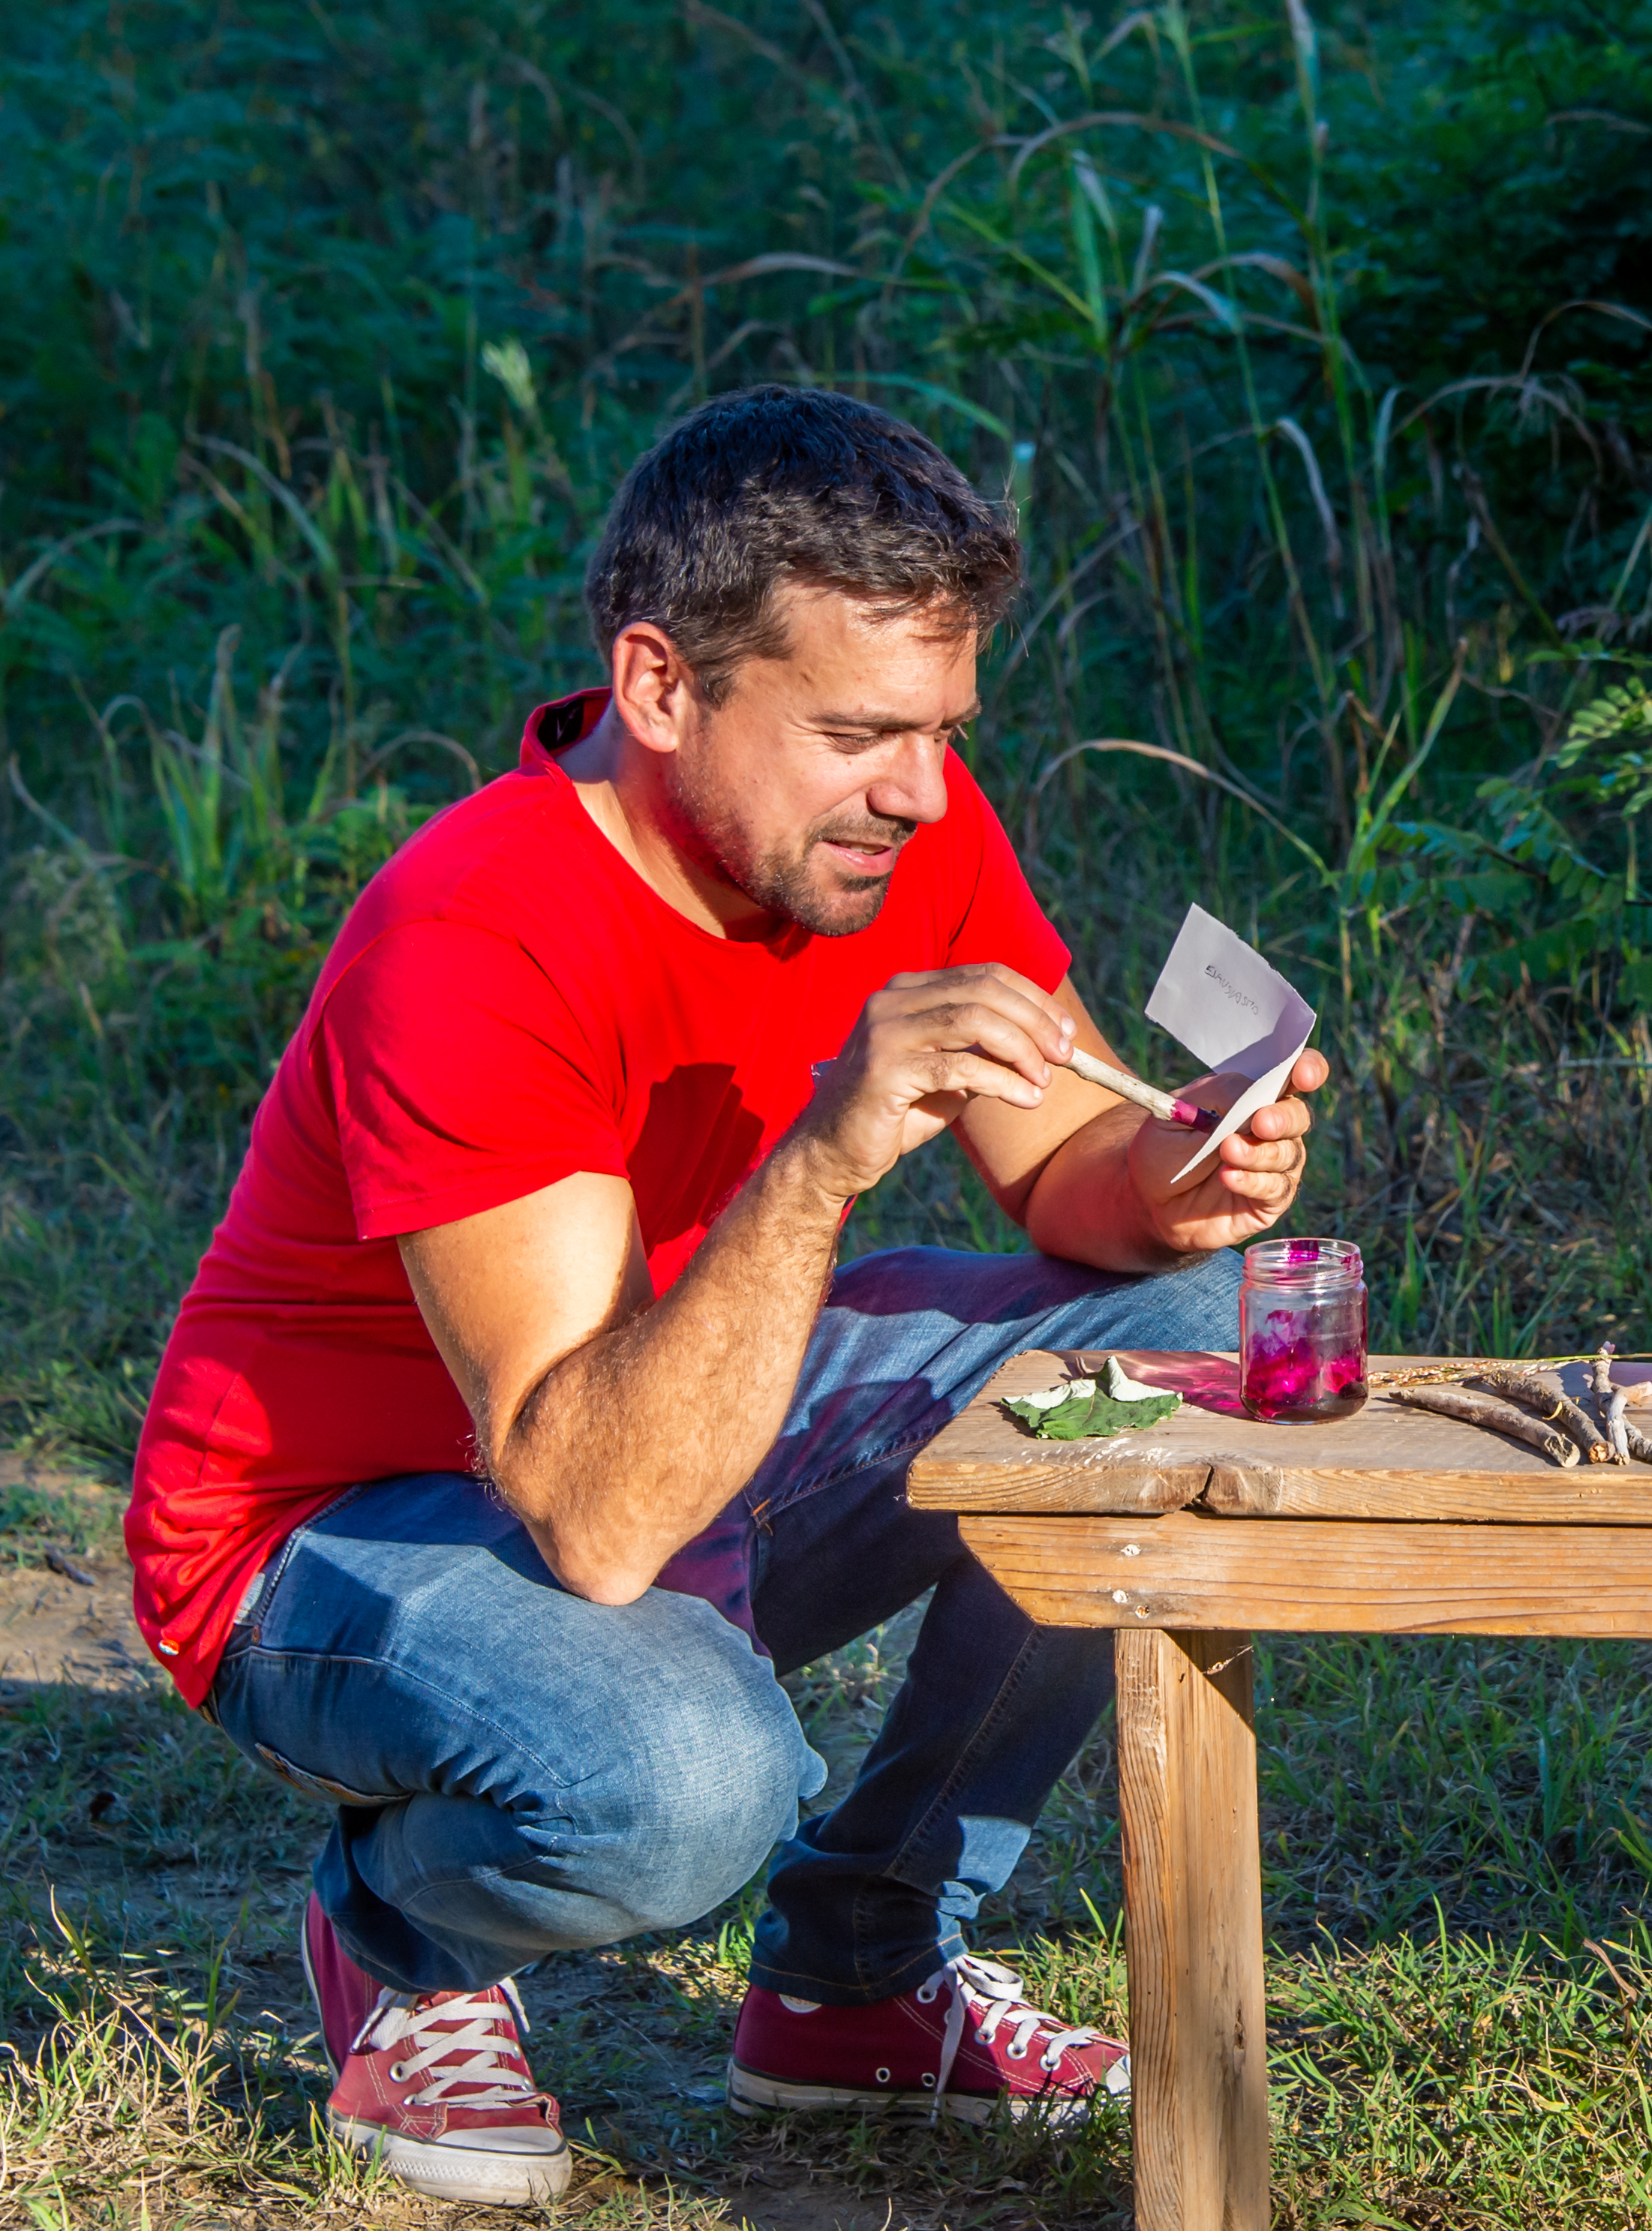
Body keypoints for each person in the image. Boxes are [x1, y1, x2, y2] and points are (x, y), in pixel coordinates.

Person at [125, 386, 1327, 2205]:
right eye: (860, 732)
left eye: (944, 730)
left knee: (1178, 1338)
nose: (920, 790)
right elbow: (591, 1506)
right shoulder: (476, 933)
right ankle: (404, 1939)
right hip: (335, 1531)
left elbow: (1079, 1171)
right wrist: (829, 1150)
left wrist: (1184, 1178)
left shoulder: (892, 823)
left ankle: (864, 1956)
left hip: (672, 1423)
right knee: (689, 1776)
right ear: (663, 684)